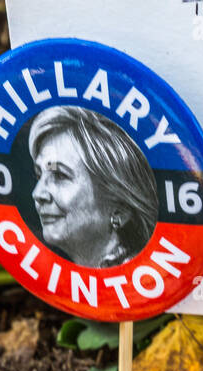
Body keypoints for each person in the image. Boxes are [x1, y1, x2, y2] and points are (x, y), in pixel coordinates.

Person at [28, 105, 158, 267]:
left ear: (120, 210)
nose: (37, 193)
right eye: (39, 174)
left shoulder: (144, 286)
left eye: (60, 175)